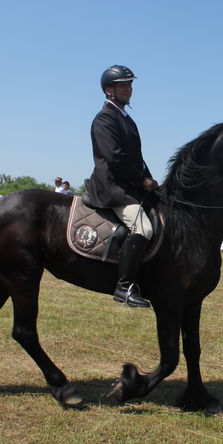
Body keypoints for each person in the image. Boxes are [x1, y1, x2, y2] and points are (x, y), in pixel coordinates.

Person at [84, 65, 157, 308]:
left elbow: (137, 159)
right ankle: (124, 288)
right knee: (143, 229)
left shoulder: (126, 119)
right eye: (123, 85)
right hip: (112, 187)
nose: (129, 89)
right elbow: (114, 158)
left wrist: (150, 180)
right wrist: (141, 180)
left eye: (130, 84)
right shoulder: (104, 118)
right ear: (109, 90)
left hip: (129, 184)